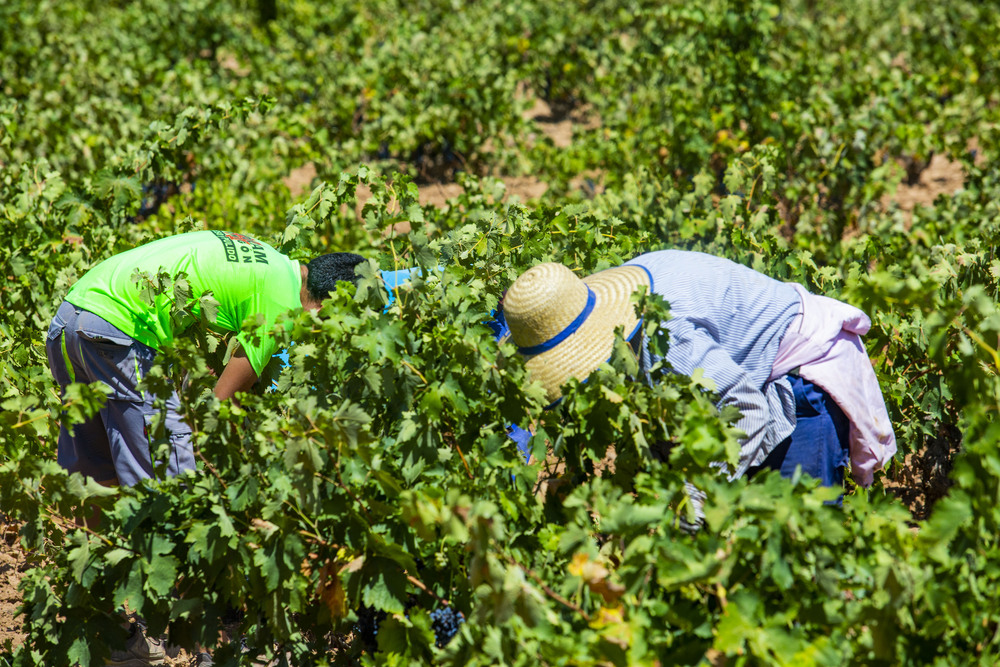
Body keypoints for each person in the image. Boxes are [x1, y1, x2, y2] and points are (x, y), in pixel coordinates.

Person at [45, 230, 364, 666]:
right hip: (121, 333)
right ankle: (194, 647)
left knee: (98, 479)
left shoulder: (270, 262)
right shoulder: (282, 308)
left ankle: (108, 628)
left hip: (72, 316)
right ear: (328, 305)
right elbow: (219, 404)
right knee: (178, 488)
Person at [501, 249, 897, 491]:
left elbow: (747, 410)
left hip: (803, 382)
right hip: (748, 380)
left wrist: (698, 493)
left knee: (799, 554)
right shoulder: (624, 312)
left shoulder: (667, 340)